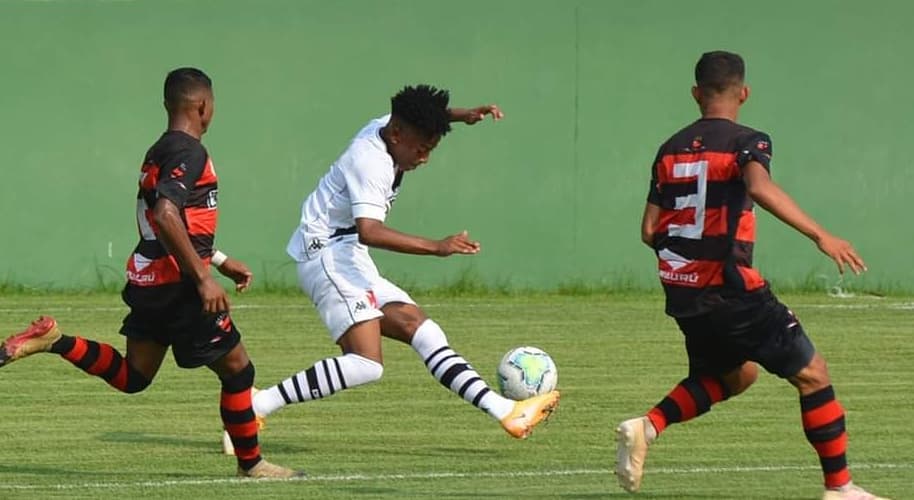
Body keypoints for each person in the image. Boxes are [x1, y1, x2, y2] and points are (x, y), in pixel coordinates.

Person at [223, 84, 559, 455]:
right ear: (398, 135)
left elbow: (416, 114)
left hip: (346, 252)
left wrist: (459, 116)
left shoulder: (391, 127)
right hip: (325, 255)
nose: (425, 158)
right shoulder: (370, 161)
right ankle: (255, 407)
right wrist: (437, 246)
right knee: (367, 364)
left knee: (424, 331)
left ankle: (508, 412)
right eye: (422, 149)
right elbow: (370, 230)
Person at [0, 67, 300, 479]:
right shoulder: (190, 152)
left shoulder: (159, 149)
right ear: (203, 106)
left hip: (149, 281)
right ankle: (252, 464)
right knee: (238, 370)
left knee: (134, 376)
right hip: (178, 286)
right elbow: (166, 213)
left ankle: (54, 340)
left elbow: (174, 222)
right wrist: (203, 278)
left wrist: (219, 260)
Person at [615, 51, 887, 500]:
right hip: (730, 288)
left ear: (695, 94)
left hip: (685, 293)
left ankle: (648, 426)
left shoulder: (670, 148)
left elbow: (648, 231)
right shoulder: (748, 140)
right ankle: (840, 489)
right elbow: (759, 187)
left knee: (736, 376)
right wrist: (822, 235)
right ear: (744, 93)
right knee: (813, 374)